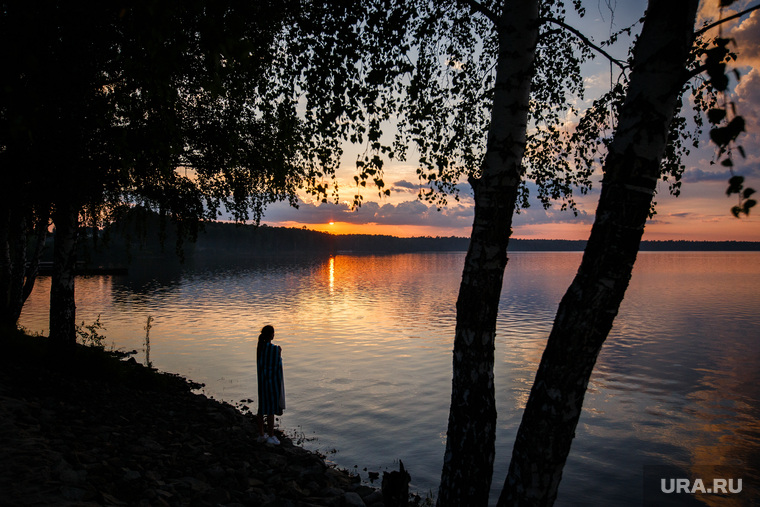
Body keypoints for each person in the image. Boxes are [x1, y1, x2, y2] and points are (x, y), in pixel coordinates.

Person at [256, 325, 285, 445]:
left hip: (262, 381)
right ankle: (271, 436)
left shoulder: (260, 347)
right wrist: (279, 352)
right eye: (273, 333)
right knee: (270, 410)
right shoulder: (273, 349)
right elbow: (276, 362)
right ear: (271, 335)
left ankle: (261, 434)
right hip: (271, 382)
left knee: (261, 408)